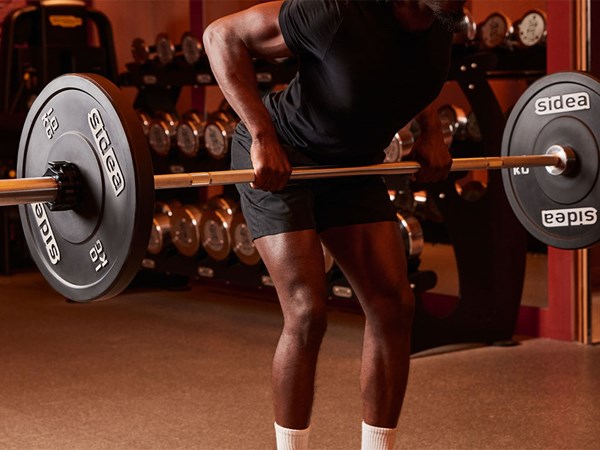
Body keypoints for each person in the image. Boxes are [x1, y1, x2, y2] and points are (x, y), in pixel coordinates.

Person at [203, 1, 465, 448]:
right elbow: (220, 36)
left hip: (352, 165)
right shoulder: (338, 10)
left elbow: (411, 75)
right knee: (307, 313)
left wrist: (431, 131)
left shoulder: (440, 24)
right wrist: (263, 136)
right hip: (285, 156)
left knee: (393, 307)